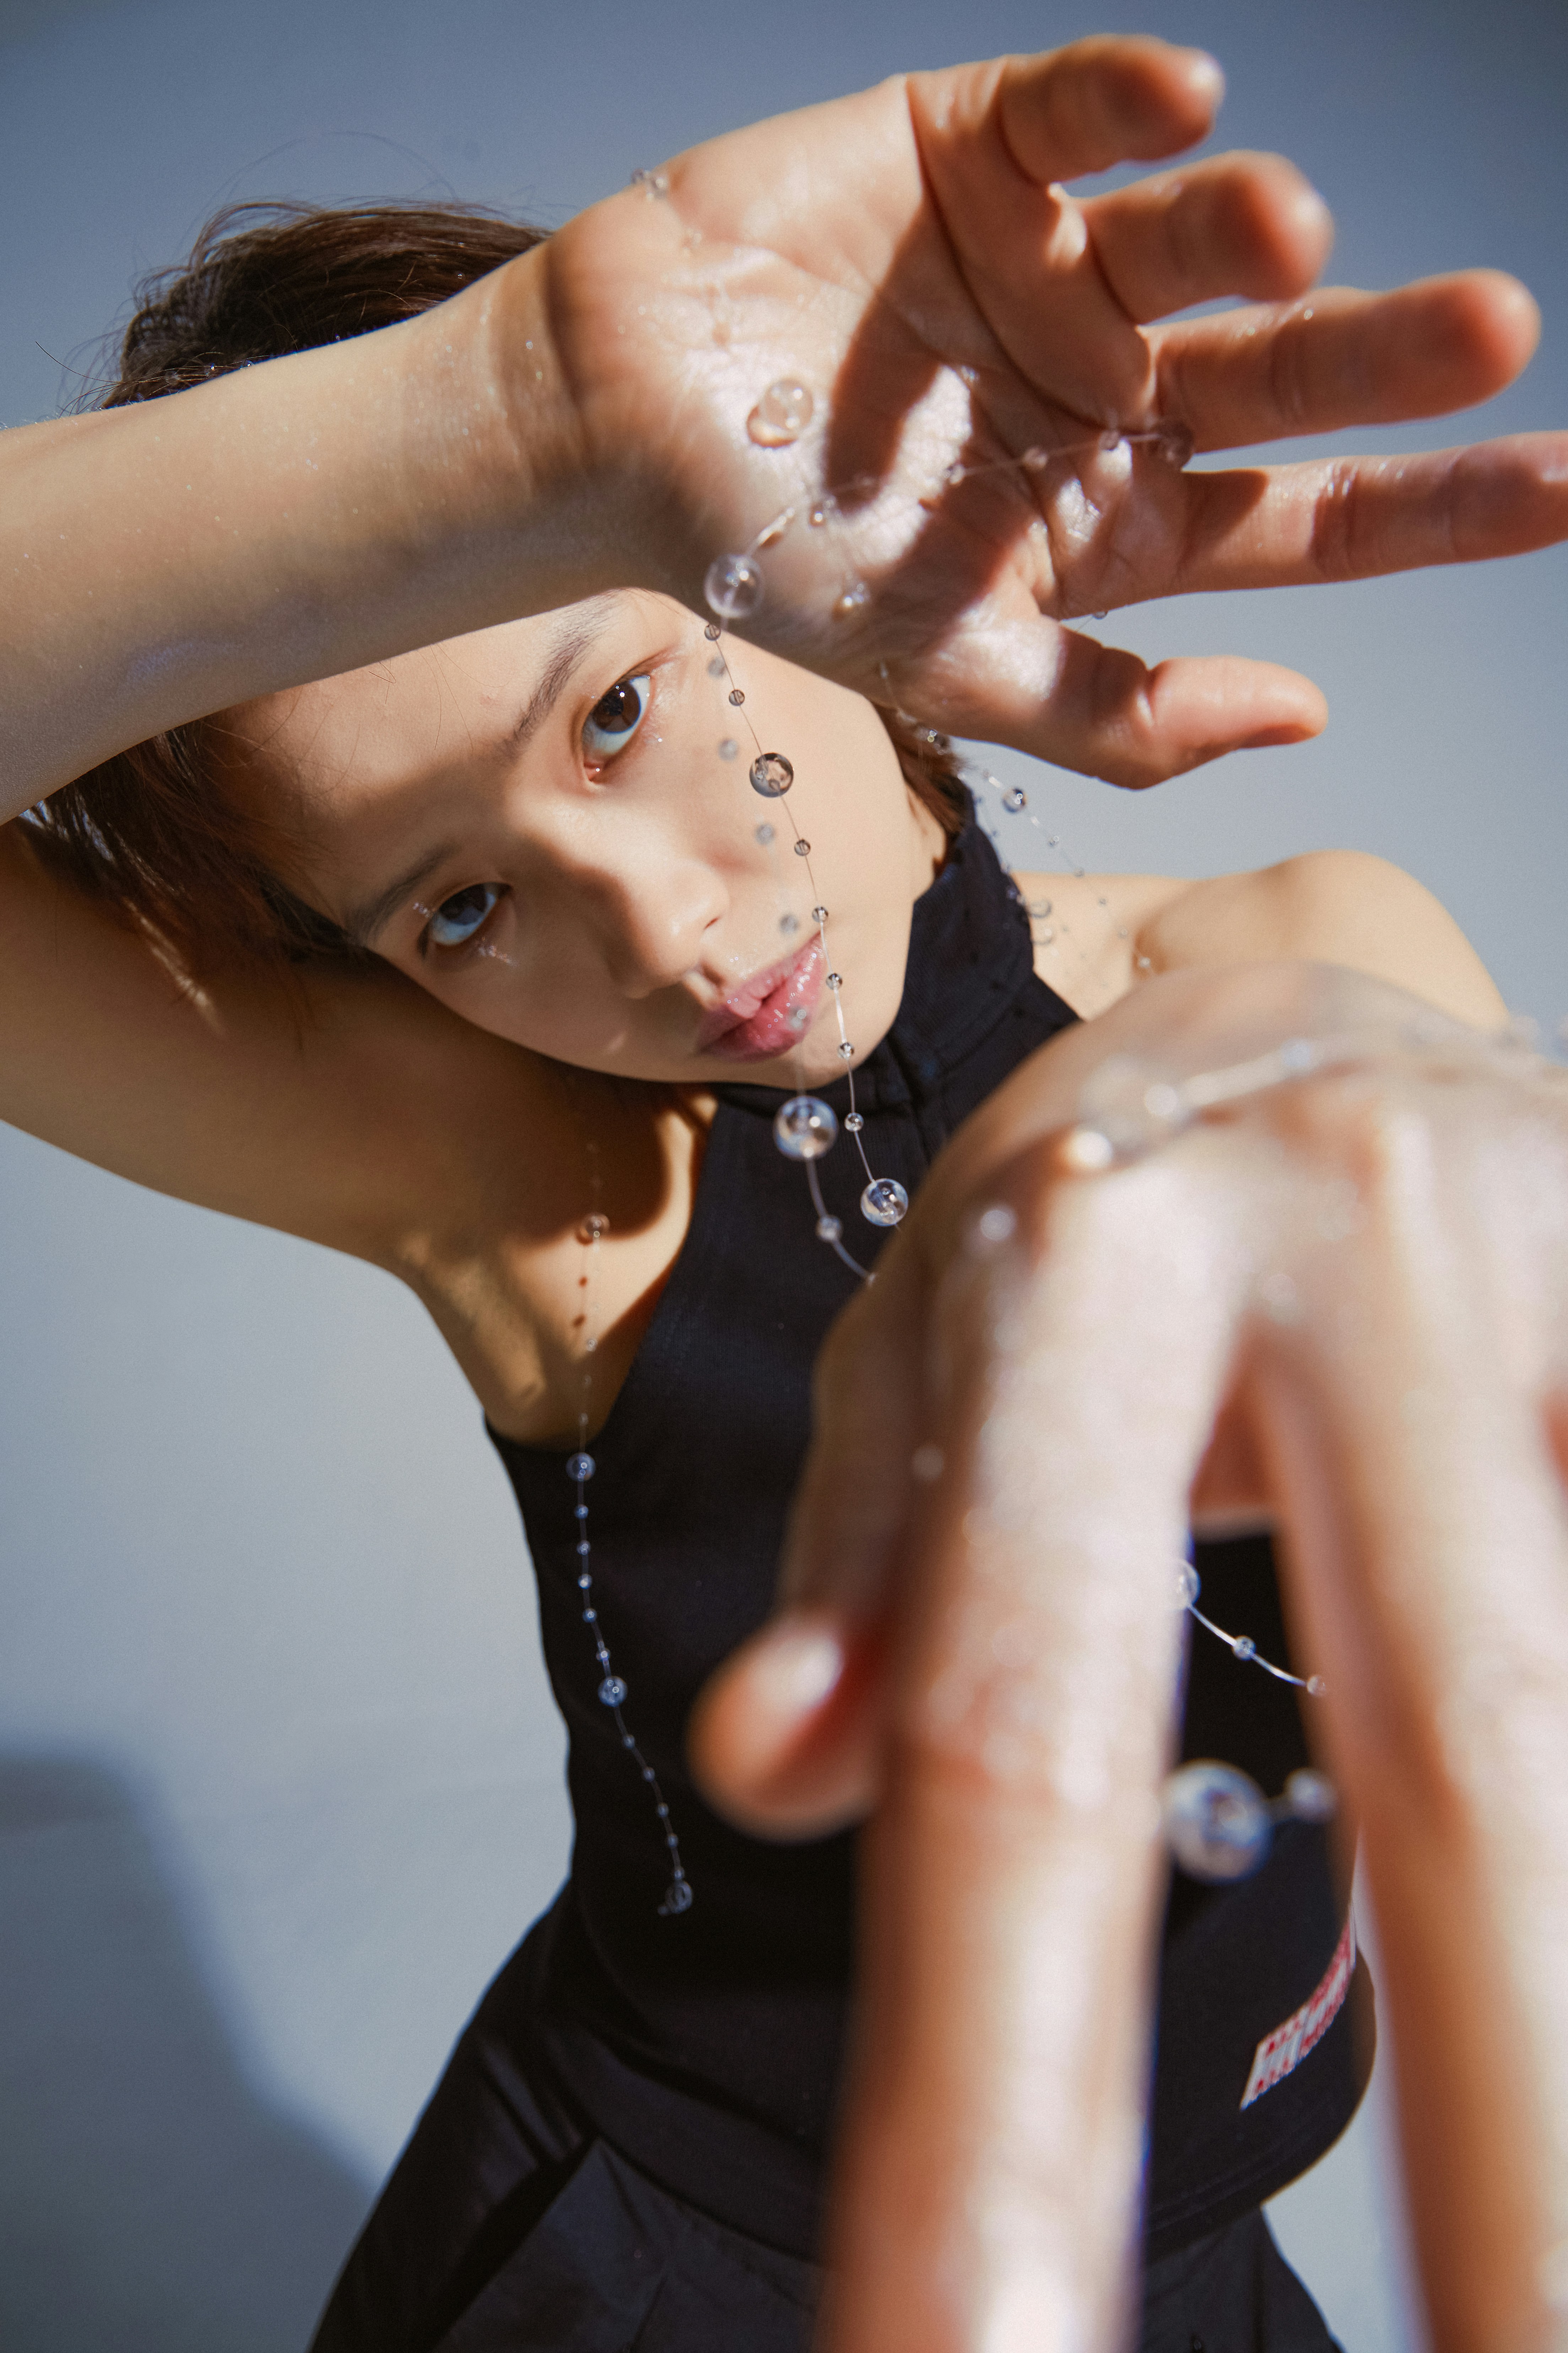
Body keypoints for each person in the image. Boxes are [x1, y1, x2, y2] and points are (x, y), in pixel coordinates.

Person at [4, 35, 1567, 2353]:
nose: (647, 931)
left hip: (1168, 2274)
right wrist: (522, 412)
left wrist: (1387, 1123)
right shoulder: (539, 1185)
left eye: (615, 714)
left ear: (772, 558)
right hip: (672, 2289)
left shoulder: (1293, 959)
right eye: (460, 910)